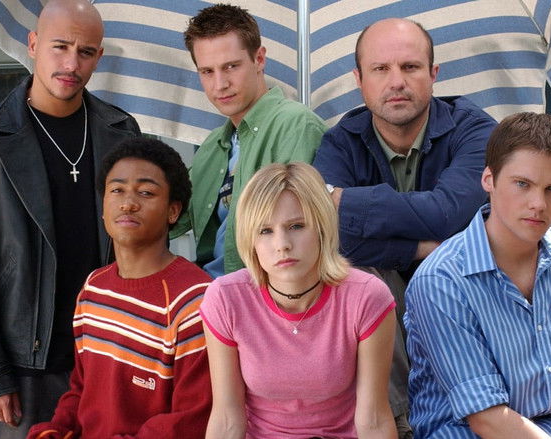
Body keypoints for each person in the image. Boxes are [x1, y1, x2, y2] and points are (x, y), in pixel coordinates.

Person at [0, 0, 141, 437]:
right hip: (22, 369)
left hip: (107, 358)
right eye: (60, 46)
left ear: (99, 57)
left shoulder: (121, 132)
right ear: (33, 45)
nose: (71, 64)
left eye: (85, 52)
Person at [312, 18, 497, 432]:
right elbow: (323, 235)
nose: (396, 81)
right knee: (353, 274)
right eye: (380, 69)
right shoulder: (341, 141)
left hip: (464, 289)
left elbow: (449, 213)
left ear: (433, 74)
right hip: (383, 299)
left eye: (410, 67)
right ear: (359, 80)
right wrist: (418, 247)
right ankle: (397, 424)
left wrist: (346, 201)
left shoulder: (476, 130)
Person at [404, 113, 551, 438]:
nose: (539, 203)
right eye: (523, 184)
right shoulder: (440, 280)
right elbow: (486, 417)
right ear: (488, 180)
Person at [26, 138, 212, 438]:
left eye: (146, 192)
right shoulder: (94, 289)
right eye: (117, 190)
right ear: (103, 207)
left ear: (173, 211)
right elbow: (82, 388)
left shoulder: (196, 300)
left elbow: (190, 419)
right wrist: (57, 429)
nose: (128, 203)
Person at [200, 162, 397, 438]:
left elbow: (373, 420)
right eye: (265, 231)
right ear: (249, 239)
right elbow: (226, 419)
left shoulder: (366, 297)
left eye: (296, 226)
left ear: (322, 227)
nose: (282, 244)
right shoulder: (226, 298)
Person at [176, 3, 327, 278]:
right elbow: (170, 218)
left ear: (259, 59)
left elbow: (303, 234)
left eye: (231, 66)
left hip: (265, 291)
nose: (220, 84)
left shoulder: (295, 125)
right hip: (210, 291)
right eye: (207, 71)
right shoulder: (211, 147)